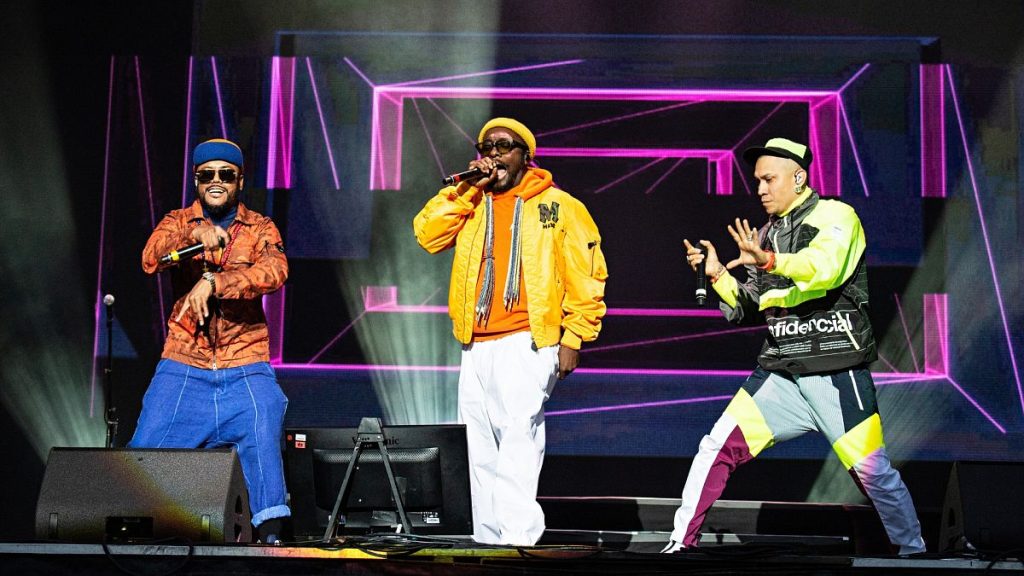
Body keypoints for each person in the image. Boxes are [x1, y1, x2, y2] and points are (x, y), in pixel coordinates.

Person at [663, 138, 926, 555]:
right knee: (715, 447)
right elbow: (751, 306)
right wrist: (718, 277)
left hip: (835, 370)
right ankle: (679, 545)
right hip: (782, 373)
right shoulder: (767, 232)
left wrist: (769, 261)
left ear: (799, 178)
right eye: (758, 181)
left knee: (871, 470)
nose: (761, 189)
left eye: (769, 179)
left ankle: (915, 552)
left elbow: (823, 270)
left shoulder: (837, 215)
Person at [414, 118, 608, 546]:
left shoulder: (560, 205)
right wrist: (465, 189)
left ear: (526, 156)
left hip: (528, 338)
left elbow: (587, 275)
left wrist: (574, 337)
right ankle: (488, 540)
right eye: (488, 146)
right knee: (478, 445)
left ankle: (519, 539)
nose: (495, 153)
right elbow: (427, 234)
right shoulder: (472, 202)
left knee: (518, 436)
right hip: (475, 342)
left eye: (506, 146)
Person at [130, 138, 290, 544]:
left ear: (239, 181)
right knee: (141, 456)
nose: (216, 181)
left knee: (265, 416)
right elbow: (151, 258)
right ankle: (132, 535)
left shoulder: (260, 227)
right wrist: (195, 238)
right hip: (185, 362)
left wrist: (216, 282)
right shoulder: (178, 221)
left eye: (226, 174)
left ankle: (270, 538)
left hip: (245, 362)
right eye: (207, 175)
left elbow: (274, 271)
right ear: (197, 180)